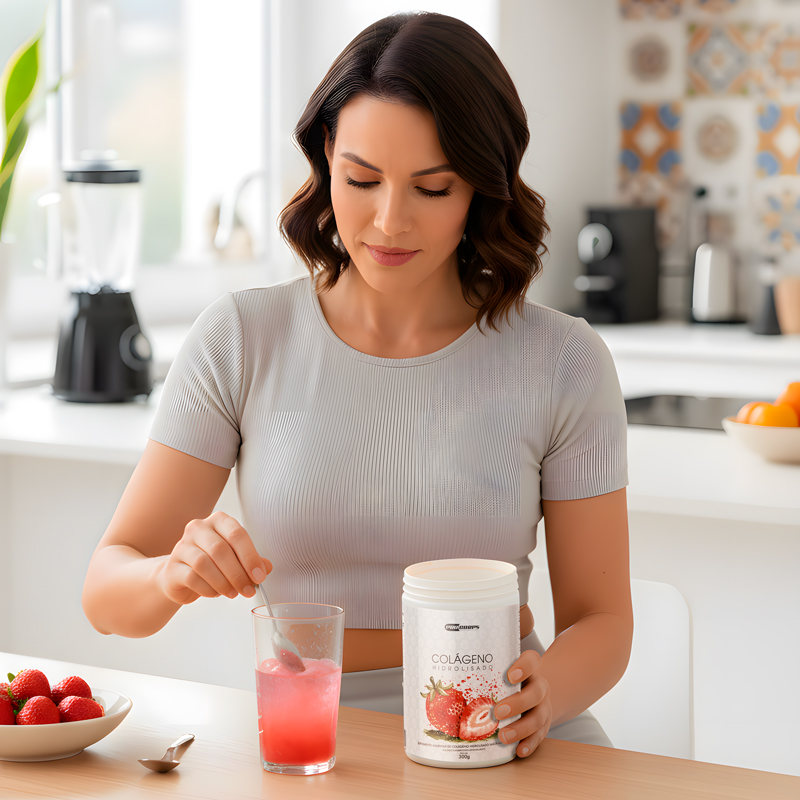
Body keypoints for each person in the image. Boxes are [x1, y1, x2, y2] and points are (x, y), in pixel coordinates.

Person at [82, 11, 632, 758]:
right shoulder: (242, 338)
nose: (389, 221)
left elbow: (603, 621)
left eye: (432, 188)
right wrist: (171, 576)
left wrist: (547, 693)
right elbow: (107, 594)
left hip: (500, 727)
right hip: (314, 731)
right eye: (362, 179)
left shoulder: (564, 359)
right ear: (326, 159)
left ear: (481, 186)